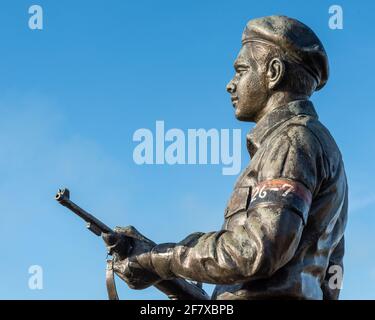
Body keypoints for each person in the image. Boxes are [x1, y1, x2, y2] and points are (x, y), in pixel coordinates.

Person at [103, 15, 348, 300]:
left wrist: (158, 259)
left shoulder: (291, 141)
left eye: (241, 71)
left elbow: (256, 251)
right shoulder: (317, 145)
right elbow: (330, 278)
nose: (230, 85)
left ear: (273, 72)